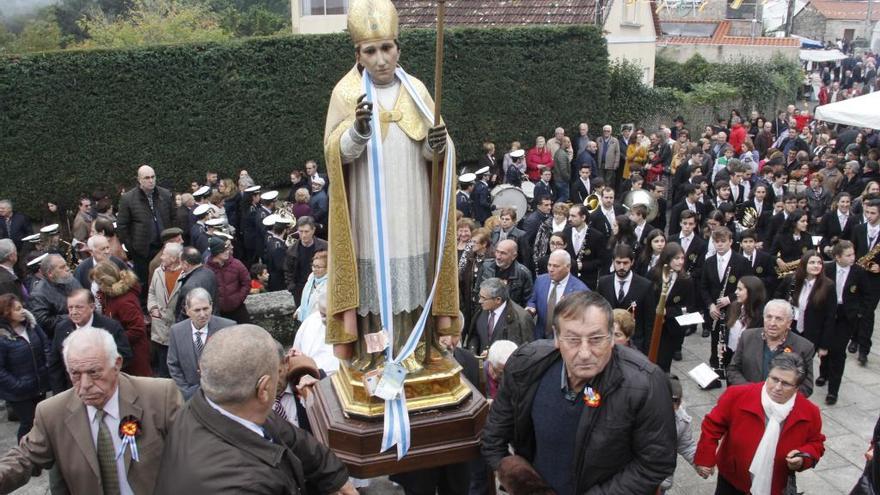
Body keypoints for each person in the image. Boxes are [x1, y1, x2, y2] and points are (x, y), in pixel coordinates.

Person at [322, 0, 459, 368]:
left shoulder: (415, 89)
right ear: (359, 54)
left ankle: (418, 347)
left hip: (412, 205)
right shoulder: (346, 94)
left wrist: (437, 148)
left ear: (398, 48)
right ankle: (376, 352)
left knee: (413, 273)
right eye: (371, 51)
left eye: (387, 48)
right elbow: (335, 153)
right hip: (368, 209)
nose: (381, 59)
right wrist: (357, 131)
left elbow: (439, 152)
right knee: (375, 279)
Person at [481, 291, 676, 494]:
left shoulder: (645, 384)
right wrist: (521, 480)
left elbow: (656, 462)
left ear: (612, 337)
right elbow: (494, 437)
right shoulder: (525, 365)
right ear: (556, 337)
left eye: (596, 339)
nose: (584, 353)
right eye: (573, 339)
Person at [154, 324, 355, 493]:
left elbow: (290, 436)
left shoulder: (211, 407)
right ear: (264, 389)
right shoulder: (246, 484)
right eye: (277, 371)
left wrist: (336, 477)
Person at [0, 326, 183, 494]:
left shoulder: (160, 397)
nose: (85, 385)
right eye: (75, 374)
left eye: (94, 372)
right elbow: (24, 458)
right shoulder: (51, 413)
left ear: (117, 364)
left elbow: (194, 452)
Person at [695, 353, 825, 495]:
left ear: (797, 387)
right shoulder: (738, 395)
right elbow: (712, 426)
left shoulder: (809, 412)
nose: (777, 387)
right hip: (732, 481)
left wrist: (802, 459)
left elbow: (816, 444)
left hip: (775, 485)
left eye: (786, 383)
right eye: (774, 379)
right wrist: (705, 457)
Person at [49, 288, 133, 393]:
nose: (74, 312)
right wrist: (59, 395)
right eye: (70, 308)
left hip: (105, 389)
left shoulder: (110, 327)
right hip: (74, 391)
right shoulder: (61, 329)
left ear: (92, 307)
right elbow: (55, 366)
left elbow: (125, 356)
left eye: (79, 307)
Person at [727, 300, 815, 397]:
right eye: (769, 317)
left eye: (779, 319)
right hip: (749, 397)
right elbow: (733, 369)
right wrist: (751, 391)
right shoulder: (747, 336)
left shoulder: (804, 347)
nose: (772, 323)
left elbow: (807, 387)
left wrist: (777, 397)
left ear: (789, 323)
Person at [115, 165, 176, 295]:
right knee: (143, 282)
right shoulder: (128, 199)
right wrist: (133, 248)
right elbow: (122, 226)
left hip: (164, 246)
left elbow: (173, 218)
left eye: (153, 177)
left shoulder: (165, 194)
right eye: (147, 178)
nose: (151, 180)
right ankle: (145, 307)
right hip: (142, 250)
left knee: (166, 278)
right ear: (139, 180)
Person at [167, 288, 236, 399]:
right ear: (187, 310)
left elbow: (235, 362)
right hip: (191, 396)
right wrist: (186, 392)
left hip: (222, 395)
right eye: (197, 310)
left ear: (211, 306)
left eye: (205, 309)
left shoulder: (228, 327)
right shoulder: (176, 331)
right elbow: (173, 364)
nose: (203, 314)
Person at [821, 240, 867, 404]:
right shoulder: (827, 269)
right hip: (828, 313)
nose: (852, 257)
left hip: (846, 315)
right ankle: (823, 372)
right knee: (825, 344)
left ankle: (833, 390)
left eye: (853, 254)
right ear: (838, 257)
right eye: (848, 255)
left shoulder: (859, 272)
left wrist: (859, 312)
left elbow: (865, 294)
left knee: (838, 351)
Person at [700, 227, 752, 372]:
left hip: (734, 308)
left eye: (723, 241)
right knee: (715, 337)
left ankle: (731, 366)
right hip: (715, 310)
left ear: (730, 242)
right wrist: (710, 305)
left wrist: (730, 299)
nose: (720, 244)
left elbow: (748, 286)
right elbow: (703, 287)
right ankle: (716, 365)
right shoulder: (709, 261)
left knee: (732, 338)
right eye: (716, 242)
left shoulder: (741, 261)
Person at [0, 294, 50, 441]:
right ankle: (25, 454)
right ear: (6, 313)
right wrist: (17, 385)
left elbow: (45, 344)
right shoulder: (2, 338)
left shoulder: (31, 325)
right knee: (28, 423)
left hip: (38, 384)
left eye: (22, 307)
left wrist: (46, 366)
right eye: (17, 309)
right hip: (19, 392)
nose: (22, 311)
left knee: (41, 421)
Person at [91, 261, 152, 377]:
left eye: (98, 282)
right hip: (121, 353)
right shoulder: (108, 297)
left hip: (134, 357)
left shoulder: (124, 301)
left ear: (105, 282)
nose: (96, 286)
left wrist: (113, 338)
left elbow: (138, 329)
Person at [597, 244, 656, 353]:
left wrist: (648, 349)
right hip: (608, 341)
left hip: (635, 344)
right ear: (613, 262)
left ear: (632, 262)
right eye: (618, 263)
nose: (621, 267)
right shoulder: (603, 282)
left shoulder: (645, 285)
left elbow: (649, 322)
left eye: (625, 263)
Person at [774, 250, 837, 350]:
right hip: (789, 329)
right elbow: (777, 301)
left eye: (819, 263)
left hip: (811, 334)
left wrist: (824, 346)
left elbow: (830, 317)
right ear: (804, 264)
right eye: (812, 262)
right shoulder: (791, 279)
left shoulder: (828, 286)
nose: (816, 266)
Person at [650, 243, 696, 372]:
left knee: (663, 364)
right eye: (676, 258)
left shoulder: (686, 280)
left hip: (670, 328)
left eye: (682, 258)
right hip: (652, 325)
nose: (680, 262)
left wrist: (668, 312)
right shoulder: (654, 274)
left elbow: (689, 307)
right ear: (667, 258)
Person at [526, 250, 588, 340]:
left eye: (556, 266)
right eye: (549, 265)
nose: (551, 269)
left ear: (568, 267)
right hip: (539, 338)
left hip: (563, 340)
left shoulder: (580, 290)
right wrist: (531, 308)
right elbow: (532, 300)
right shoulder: (540, 280)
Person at [467, 278, 533, 356]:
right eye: (479, 296)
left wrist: (493, 354)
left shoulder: (521, 318)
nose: (480, 301)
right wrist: (473, 351)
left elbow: (524, 351)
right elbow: (475, 335)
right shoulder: (481, 310)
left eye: (483, 298)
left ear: (498, 300)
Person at [147, 242, 182, 378]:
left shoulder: (185, 274)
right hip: (160, 328)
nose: (161, 257)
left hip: (177, 326)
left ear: (173, 259)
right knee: (163, 368)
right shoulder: (158, 272)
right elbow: (151, 293)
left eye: (164, 255)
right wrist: (153, 308)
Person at [27, 254, 81, 339]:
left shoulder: (72, 281)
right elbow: (45, 323)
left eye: (66, 265)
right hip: (62, 337)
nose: (67, 269)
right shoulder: (39, 294)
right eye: (62, 267)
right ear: (50, 273)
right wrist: (73, 315)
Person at [292, 291, 339, 375]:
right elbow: (297, 348)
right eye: (323, 315)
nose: (325, 320)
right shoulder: (311, 320)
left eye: (329, 315)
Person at [205, 236, 250, 323]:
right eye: (223, 251)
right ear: (215, 253)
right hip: (219, 313)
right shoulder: (207, 269)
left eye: (227, 249)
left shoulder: (237, 264)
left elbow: (246, 282)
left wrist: (239, 298)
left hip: (238, 309)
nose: (227, 252)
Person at [478, 239, 533, 307]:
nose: (498, 257)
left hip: (510, 314)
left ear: (514, 256)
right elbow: (477, 290)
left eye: (503, 253)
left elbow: (528, 301)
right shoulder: (486, 266)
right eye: (497, 252)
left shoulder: (523, 273)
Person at [562, 204, 605, 289]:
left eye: (573, 216)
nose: (569, 219)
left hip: (588, 282)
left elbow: (601, 261)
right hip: (568, 280)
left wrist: (583, 265)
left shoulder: (596, 236)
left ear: (583, 217)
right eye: (569, 215)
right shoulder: (566, 232)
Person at [174, 246, 218, 322]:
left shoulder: (189, 287)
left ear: (185, 264)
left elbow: (185, 317)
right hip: (212, 321)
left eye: (180, 262)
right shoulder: (210, 273)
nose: (179, 266)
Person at [296, 251, 328, 322]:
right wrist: (300, 309)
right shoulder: (311, 278)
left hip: (318, 323)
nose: (314, 270)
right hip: (306, 320)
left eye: (318, 267)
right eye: (313, 266)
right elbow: (307, 298)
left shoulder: (328, 285)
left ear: (327, 268)